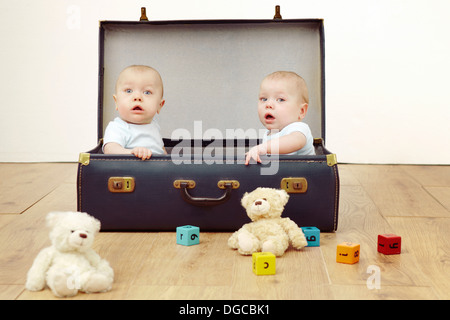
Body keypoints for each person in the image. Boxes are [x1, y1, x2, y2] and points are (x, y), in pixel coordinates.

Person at [245, 71, 315, 165]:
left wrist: (264, 148)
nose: (268, 104)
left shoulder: (298, 128)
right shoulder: (269, 134)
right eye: (264, 99)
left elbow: (294, 141)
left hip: (306, 175)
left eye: (280, 100)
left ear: (301, 111)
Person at [103, 65, 166, 159]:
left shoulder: (154, 126)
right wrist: (131, 152)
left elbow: (161, 149)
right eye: (128, 91)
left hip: (157, 170)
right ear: (116, 102)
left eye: (147, 92)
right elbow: (110, 149)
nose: (137, 97)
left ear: (159, 106)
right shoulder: (118, 127)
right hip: (130, 171)